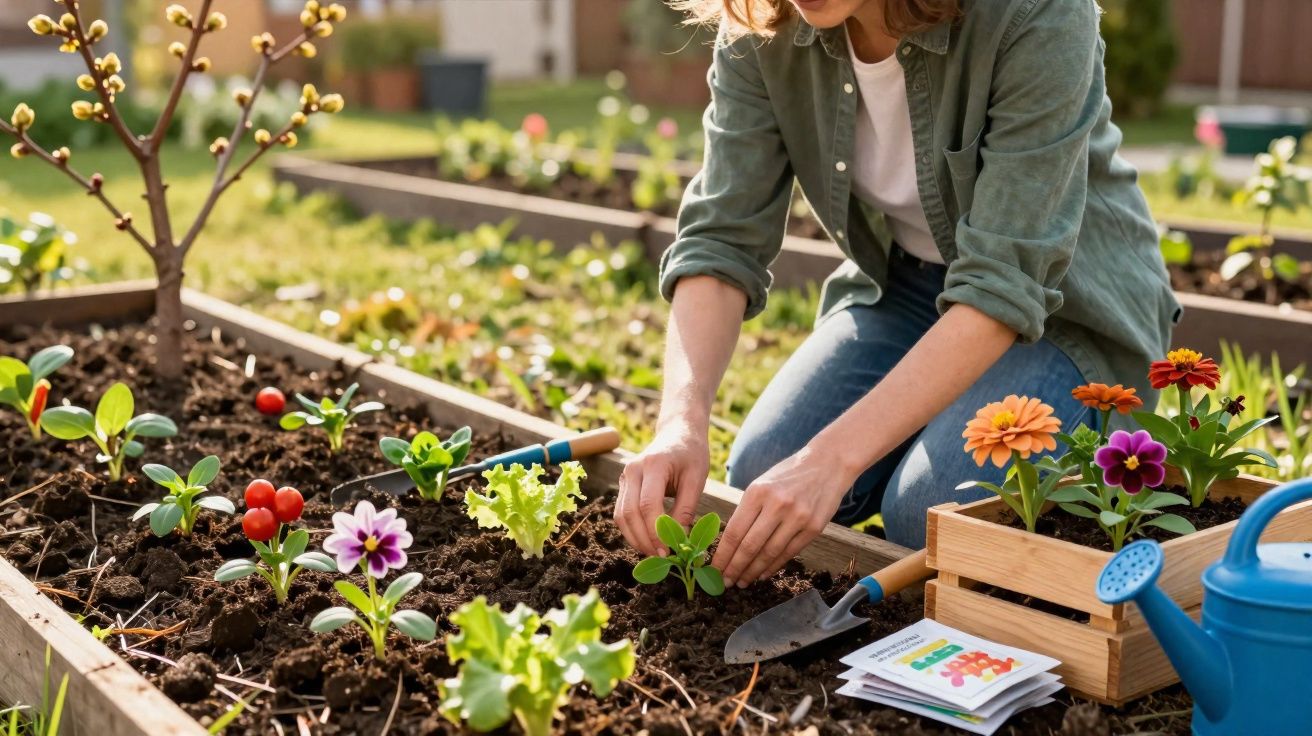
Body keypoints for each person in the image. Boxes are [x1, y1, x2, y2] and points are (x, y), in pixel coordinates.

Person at [614, 0, 1178, 588]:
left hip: (1066, 310)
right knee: (763, 468)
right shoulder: (764, 23)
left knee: (928, 513)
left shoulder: (1035, 13)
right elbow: (721, 239)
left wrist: (832, 460)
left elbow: (1003, 281)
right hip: (905, 286)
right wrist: (681, 421)